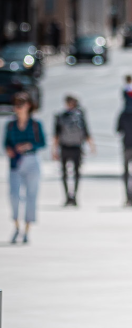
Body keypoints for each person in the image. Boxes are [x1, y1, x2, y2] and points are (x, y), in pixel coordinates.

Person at [5, 92, 45, 244]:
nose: (18, 108)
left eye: (21, 104)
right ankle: (16, 226)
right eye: (16, 104)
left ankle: (27, 230)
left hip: (31, 160)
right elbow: (6, 143)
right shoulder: (10, 124)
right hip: (16, 162)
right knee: (14, 195)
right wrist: (10, 150)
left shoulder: (35, 124)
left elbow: (42, 142)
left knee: (31, 195)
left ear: (28, 106)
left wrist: (28, 145)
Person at [53, 95, 95, 206]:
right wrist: (92, 146)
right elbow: (87, 132)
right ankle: (73, 196)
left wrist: (54, 150)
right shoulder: (79, 115)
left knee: (65, 174)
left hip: (66, 147)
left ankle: (69, 196)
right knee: (76, 173)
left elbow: (56, 135)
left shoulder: (61, 115)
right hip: (76, 147)